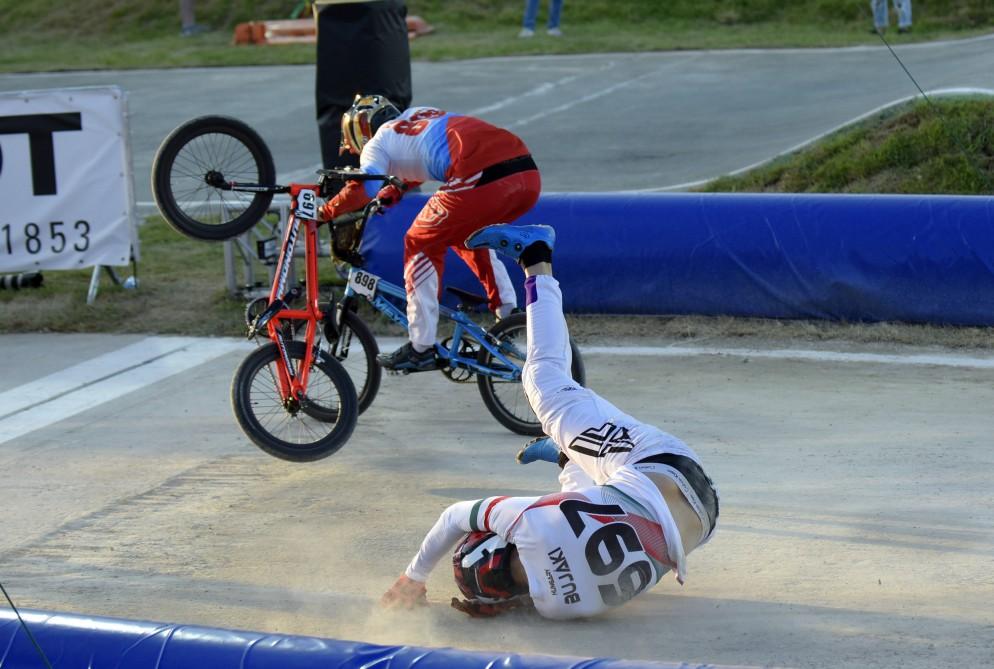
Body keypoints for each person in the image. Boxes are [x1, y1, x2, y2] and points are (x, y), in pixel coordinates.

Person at [379, 224, 720, 619]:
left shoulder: (556, 609)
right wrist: (413, 577)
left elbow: (557, 558)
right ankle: (536, 257)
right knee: (544, 385)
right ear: (497, 546)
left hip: (701, 521)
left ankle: (568, 457)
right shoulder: (528, 527)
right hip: (659, 465)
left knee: (586, 508)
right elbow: (454, 517)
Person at [319, 94, 540, 372]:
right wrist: (393, 191)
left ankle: (420, 346)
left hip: (481, 176)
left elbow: (366, 187)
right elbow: (421, 157)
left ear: (360, 131)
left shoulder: (376, 143)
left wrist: (324, 212)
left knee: (419, 240)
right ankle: (508, 313)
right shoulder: (421, 114)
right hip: (526, 175)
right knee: (464, 235)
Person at [313, 0, 412, 169]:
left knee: (357, 103)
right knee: (382, 103)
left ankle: (347, 182)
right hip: (369, 11)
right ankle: (385, 179)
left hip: (347, 9)